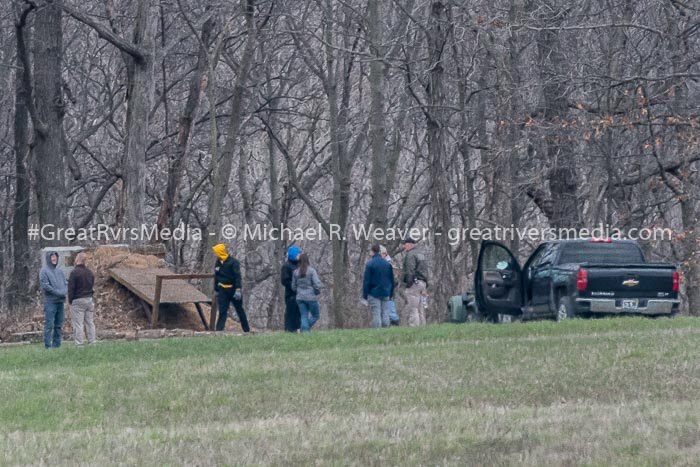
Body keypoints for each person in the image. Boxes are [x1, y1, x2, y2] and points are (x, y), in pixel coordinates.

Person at [212, 243, 250, 333]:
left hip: (233, 289)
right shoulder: (218, 262)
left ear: (220, 252)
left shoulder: (233, 262)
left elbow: (237, 276)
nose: (214, 254)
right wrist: (216, 289)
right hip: (222, 290)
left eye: (215, 252)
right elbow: (216, 277)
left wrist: (238, 289)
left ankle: (247, 330)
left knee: (239, 309)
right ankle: (219, 331)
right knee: (222, 311)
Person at [362, 243, 396, 328]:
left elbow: (366, 281)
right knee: (385, 313)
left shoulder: (370, 264)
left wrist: (365, 295)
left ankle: (377, 332)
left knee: (376, 313)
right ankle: (385, 330)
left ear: (372, 251)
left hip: (374, 292)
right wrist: (391, 293)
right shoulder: (387, 264)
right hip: (386, 292)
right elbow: (392, 280)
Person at [40, 251, 67, 348]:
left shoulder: (59, 271)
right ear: (48, 259)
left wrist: (64, 291)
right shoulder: (44, 271)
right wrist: (57, 292)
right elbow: (45, 285)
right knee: (49, 325)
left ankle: (57, 344)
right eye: (52, 257)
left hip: (60, 302)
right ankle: (48, 345)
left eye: (55, 257)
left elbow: (65, 283)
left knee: (58, 324)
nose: (54, 259)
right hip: (50, 302)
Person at [67, 252, 96, 345]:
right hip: (89, 299)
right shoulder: (90, 273)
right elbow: (91, 285)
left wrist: (70, 300)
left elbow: (71, 288)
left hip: (78, 300)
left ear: (77, 260)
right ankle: (92, 341)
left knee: (78, 323)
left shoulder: (74, 273)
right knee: (90, 322)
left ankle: (79, 343)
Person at [291, 253, 322, 332]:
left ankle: (304, 330)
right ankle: (304, 330)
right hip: (311, 297)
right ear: (308, 260)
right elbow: (317, 284)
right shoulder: (311, 271)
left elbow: (293, 287)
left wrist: (298, 291)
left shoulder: (295, 272)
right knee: (316, 315)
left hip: (300, 298)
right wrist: (316, 291)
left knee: (304, 316)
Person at [402, 238, 429, 327]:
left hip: (414, 283)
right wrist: (426, 284)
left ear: (410, 244)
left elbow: (410, 270)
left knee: (413, 308)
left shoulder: (410, 255)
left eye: (405, 244)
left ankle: (414, 327)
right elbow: (425, 270)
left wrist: (408, 284)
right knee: (421, 309)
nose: (403, 247)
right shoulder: (421, 254)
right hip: (423, 283)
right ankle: (422, 326)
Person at [281, 245, 302, 332]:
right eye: (298, 254)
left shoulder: (299, 265)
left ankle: (299, 329)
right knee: (291, 313)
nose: (299, 256)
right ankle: (289, 330)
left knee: (299, 313)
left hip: (300, 294)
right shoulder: (286, 266)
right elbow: (284, 281)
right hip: (291, 295)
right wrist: (294, 287)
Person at [380, 245, 400, 326]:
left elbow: (394, 278)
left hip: (387, 289)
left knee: (389, 307)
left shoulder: (388, 264)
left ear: (384, 254)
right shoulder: (389, 263)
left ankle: (394, 321)